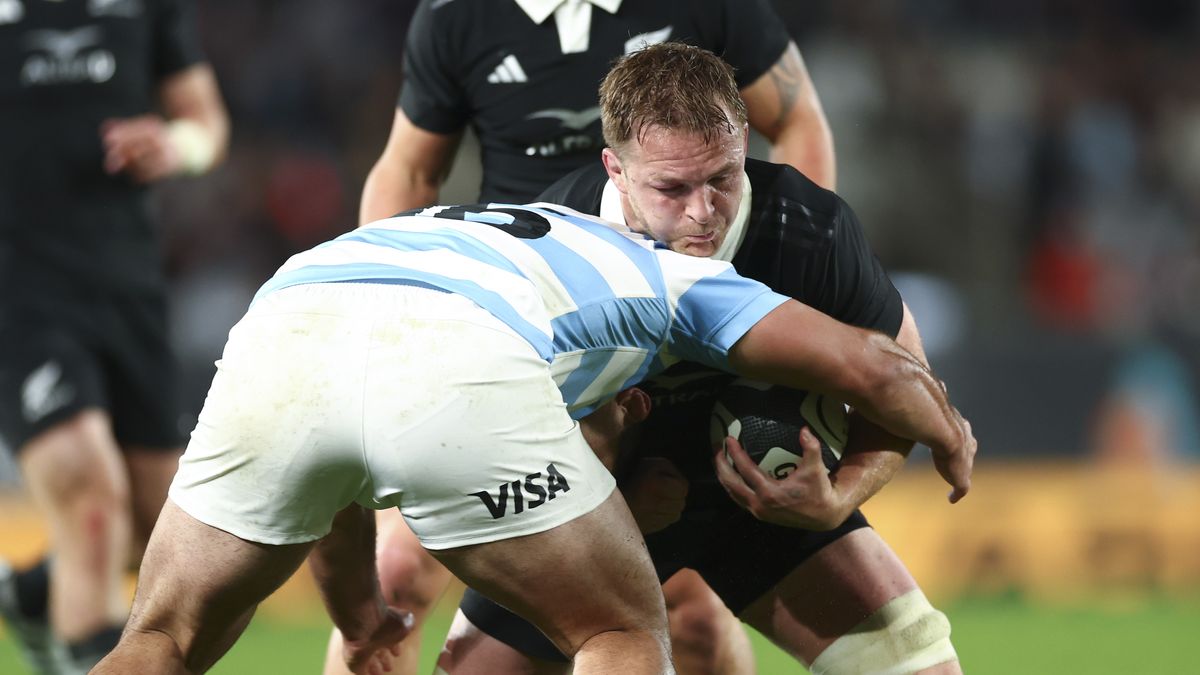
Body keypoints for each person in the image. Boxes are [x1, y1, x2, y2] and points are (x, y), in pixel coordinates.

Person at [92, 203, 976, 675]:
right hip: (452, 353)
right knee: (621, 630)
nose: (697, 209)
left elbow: (333, 462)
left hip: (287, 319)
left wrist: (359, 613)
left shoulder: (468, 229)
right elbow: (866, 363)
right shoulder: (668, 274)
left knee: (161, 635)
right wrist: (946, 428)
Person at [337, 1, 838, 671]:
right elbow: (408, 170)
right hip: (523, 337)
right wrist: (383, 311)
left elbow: (797, 119)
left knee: (689, 613)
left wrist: (765, 297)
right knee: (394, 575)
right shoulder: (458, 16)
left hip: (671, 337)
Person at [435, 43, 966, 674]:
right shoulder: (552, 246)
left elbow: (901, 392)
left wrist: (837, 497)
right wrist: (608, 500)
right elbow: (493, 449)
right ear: (615, 169)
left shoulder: (809, 231)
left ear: (745, 143)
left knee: (918, 660)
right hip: (591, 514)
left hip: (767, 511)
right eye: (672, 187)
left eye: (722, 178)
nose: (702, 211)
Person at [0, 1, 229, 673]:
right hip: (19, 289)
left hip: (128, 288)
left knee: (157, 530)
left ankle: (33, 593)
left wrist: (175, 146)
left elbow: (206, 122)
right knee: (92, 499)